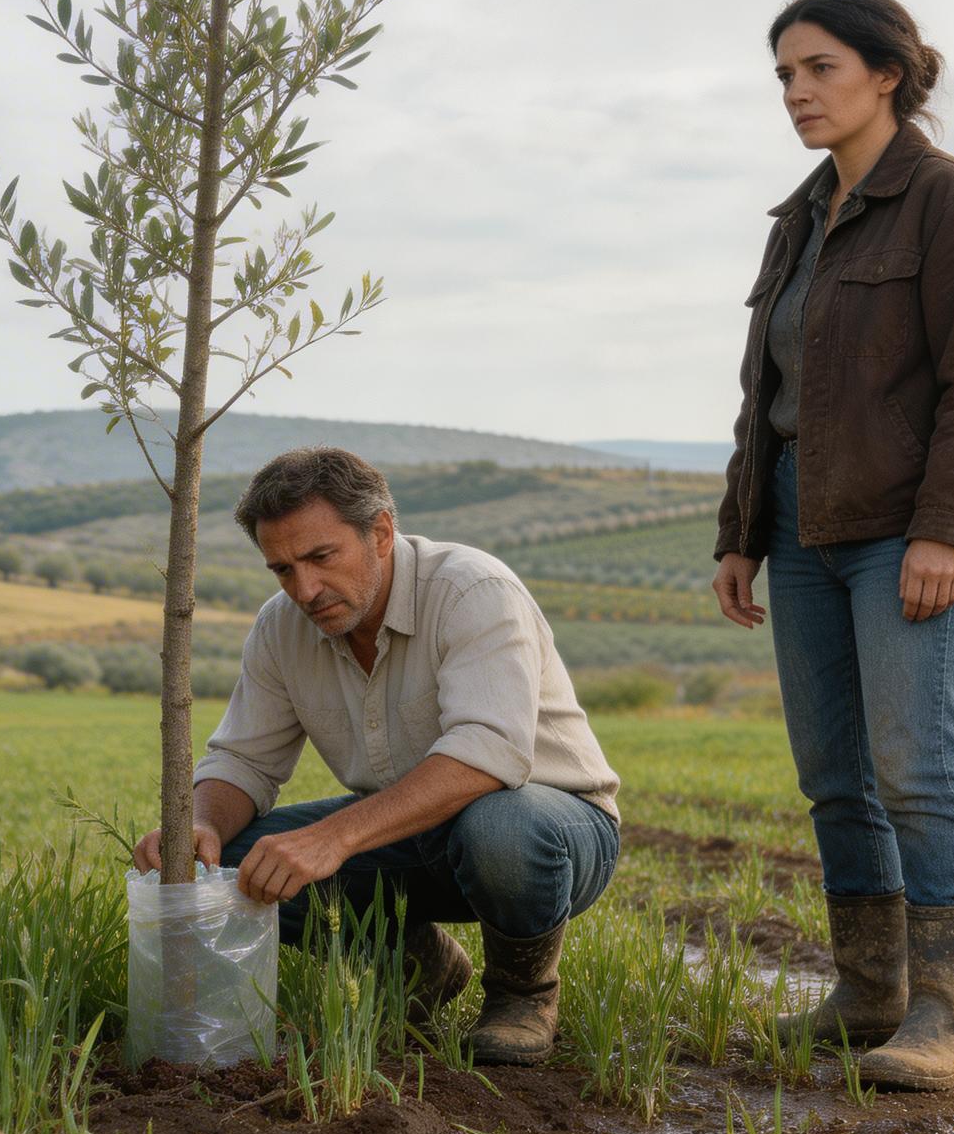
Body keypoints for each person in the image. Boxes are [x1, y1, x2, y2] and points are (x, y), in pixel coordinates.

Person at [711, 0, 954, 1092]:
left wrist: (946, 532)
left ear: (887, 73)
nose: (798, 93)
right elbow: (769, 395)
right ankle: (870, 993)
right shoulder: (798, 221)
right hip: (801, 526)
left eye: (820, 70)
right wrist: (742, 530)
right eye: (785, 76)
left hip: (910, 529)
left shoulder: (952, 201)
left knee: (919, 769)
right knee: (833, 776)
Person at [131, 448, 621, 1065]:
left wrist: (332, 838)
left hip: (552, 831)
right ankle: (423, 967)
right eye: (282, 569)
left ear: (382, 532)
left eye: (320, 557)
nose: (304, 589)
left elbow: (487, 754)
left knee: (498, 828)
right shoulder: (281, 627)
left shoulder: (474, 590)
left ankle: (523, 994)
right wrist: (198, 824)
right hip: (408, 832)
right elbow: (242, 763)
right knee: (230, 864)